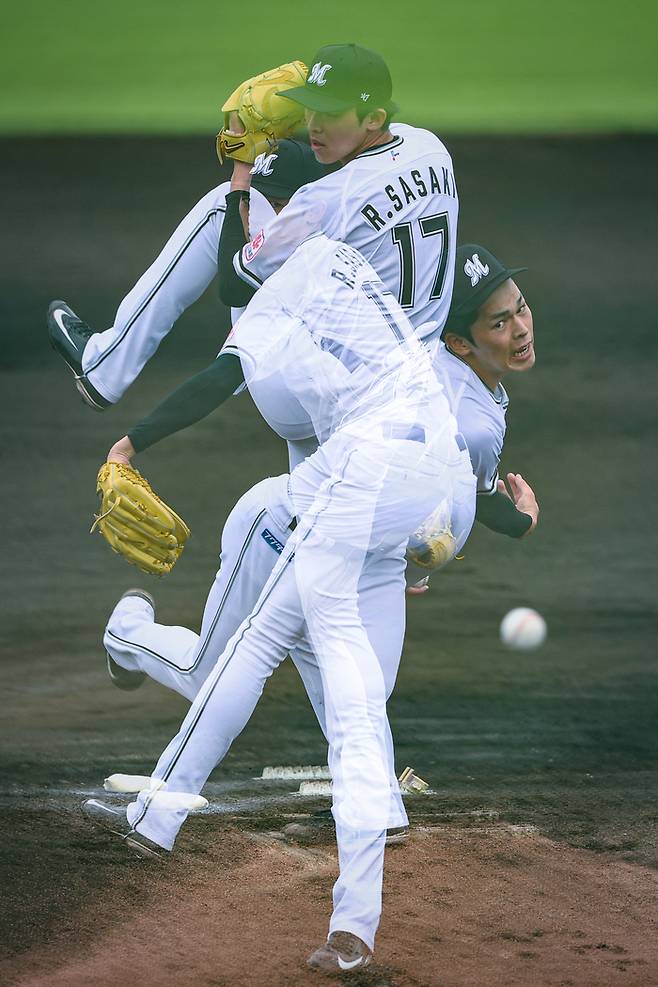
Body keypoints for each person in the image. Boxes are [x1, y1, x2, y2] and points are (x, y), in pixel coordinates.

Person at [82, 233, 477, 973]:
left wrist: (131, 443)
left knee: (264, 652)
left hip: (361, 489)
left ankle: (158, 809)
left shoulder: (278, 294)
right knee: (344, 694)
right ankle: (356, 910)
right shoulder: (351, 264)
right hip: (409, 491)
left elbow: (215, 380)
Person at [46, 140, 329, 410]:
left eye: (272, 203)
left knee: (223, 204)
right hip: (337, 379)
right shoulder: (354, 200)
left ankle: (106, 366)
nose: (256, 210)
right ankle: (107, 367)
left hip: (306, 377)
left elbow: (234, 289)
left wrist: (240, 184)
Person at [218, 43, 460, 354]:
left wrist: (242, 173)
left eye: (329, 113)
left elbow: (233, 287)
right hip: (431, 362)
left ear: (373, 118)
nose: (313, 124)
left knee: (215, 209)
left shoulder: (324, 200)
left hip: (356, 378)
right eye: (310, 107)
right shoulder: (430, 148)